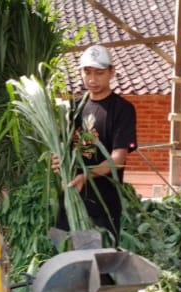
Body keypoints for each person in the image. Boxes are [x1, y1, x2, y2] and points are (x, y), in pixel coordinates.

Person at [53, 44, 138, 246]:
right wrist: (56, 160)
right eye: (87, 72)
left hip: (103, 206)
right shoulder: (73, 108)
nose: (92, 79)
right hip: (70, 201)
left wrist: (86, 176)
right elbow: (63, 147)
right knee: (61, 257)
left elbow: (118, 159)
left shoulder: (122, 110)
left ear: (111, 72)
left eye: (99, 73)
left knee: (98, 265)